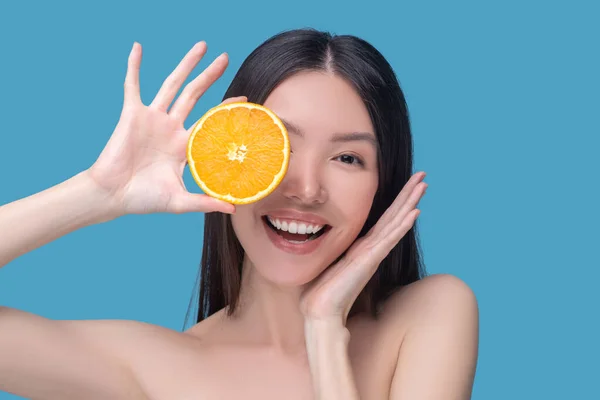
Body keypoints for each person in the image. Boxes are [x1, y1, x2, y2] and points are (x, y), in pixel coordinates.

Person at [0, 28, 478, 399]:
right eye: (280, 149)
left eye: (347, 158)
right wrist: (96, 193)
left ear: (382, 185)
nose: (307, 190)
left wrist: (325, 330)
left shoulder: (431, 314)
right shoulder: (161, 366)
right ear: (230, 161)